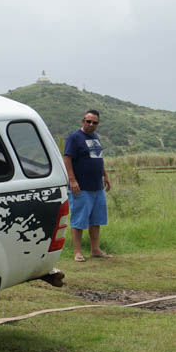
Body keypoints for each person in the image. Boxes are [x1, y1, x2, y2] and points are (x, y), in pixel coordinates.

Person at [62, 108, 112, 262]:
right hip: (81, 187)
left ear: (98, 124)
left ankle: (95, 250)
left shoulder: (95, 137)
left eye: (94, 122)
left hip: (97, 187)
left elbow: (98, 158)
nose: (91, 124)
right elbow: (67, 158)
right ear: (83, 121)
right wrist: (72, 180)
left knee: (96, 220)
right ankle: (77, 252)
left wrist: (105, 175)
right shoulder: (75, 137)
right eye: (88, 121)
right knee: (79, 221)